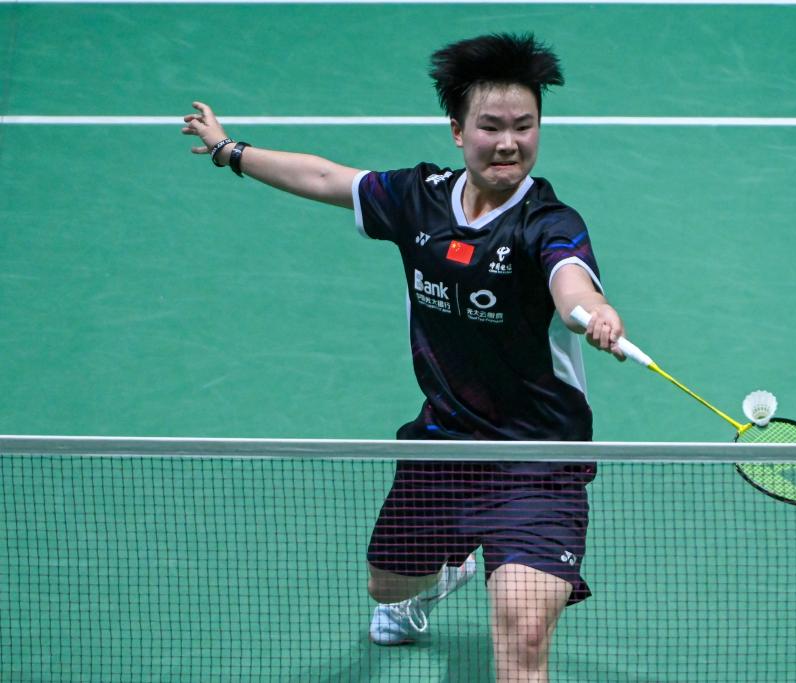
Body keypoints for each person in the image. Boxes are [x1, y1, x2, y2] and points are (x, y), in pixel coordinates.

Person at [182, 32, 627, 683]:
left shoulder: (548, 221)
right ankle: (446, 574)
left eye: (525, 126)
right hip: (444, 445)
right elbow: (328, 178)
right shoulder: (419, 199)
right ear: (458, 131)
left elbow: (570, 279)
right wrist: (230, 152)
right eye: (491, 127)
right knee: (387, 587)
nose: (509, 143)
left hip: (538, 459)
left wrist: (591, 309)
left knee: (524, 631)